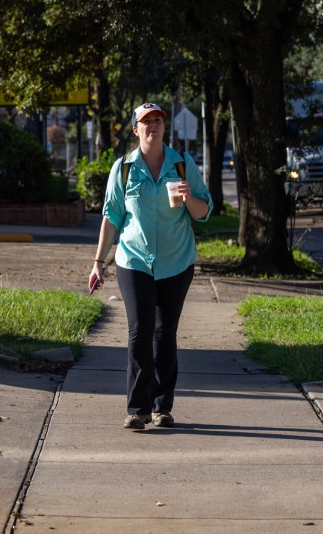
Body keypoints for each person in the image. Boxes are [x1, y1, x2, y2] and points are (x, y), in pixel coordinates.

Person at [88, 102, 212, 430]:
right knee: (139, 331)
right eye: (146, 122)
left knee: (164, 334)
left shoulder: (182, 165)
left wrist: (188, 198)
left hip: (176, 261)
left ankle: (162, 407)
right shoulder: (124, 168)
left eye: (157, 121)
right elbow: (112, 217)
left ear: (163, 127)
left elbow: (203, 212)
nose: (153, 127)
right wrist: (98, 262)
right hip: (134, 260)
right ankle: (137, 409)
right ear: (135, 129)